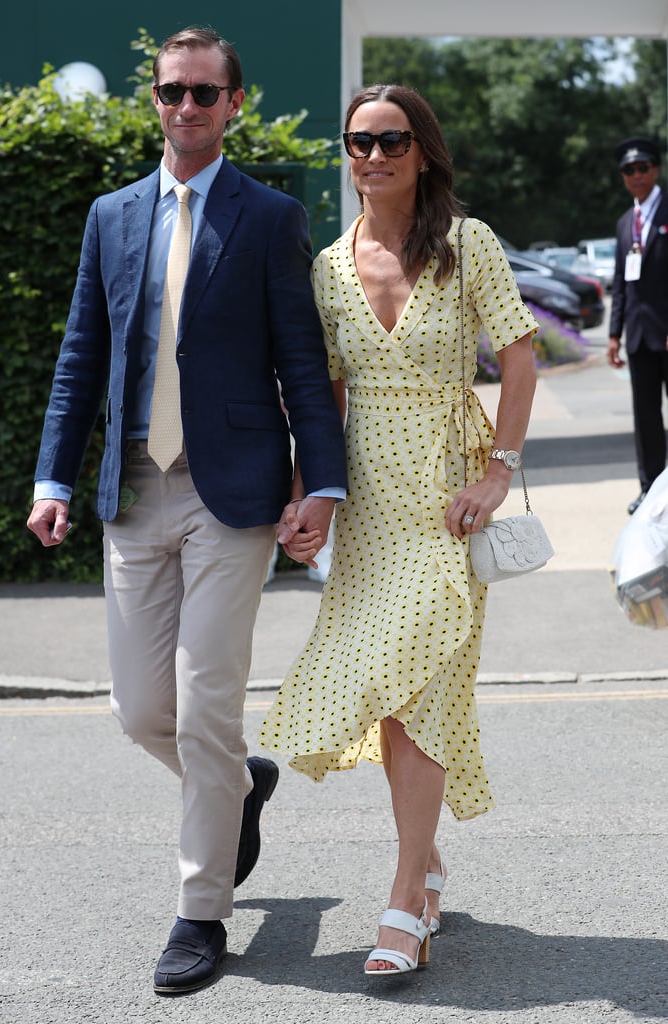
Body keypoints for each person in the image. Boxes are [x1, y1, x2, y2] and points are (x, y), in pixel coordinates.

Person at [26, 26, 347, 995]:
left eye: (206, 93)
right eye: (173, 91)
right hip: (133, 491)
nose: (188, 107)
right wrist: (50, 477)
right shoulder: (109, 215)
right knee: (141, 711)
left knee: (206, 704)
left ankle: (200, 913)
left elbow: (299, 357)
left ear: (233, 105)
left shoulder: (269, 216)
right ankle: (238, 786)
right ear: (154, 99)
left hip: (233, 496)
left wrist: (320, 485)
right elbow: (84, 352)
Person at [260, 83, 538, 979]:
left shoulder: (469, 245)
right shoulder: (332, 263)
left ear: (423, 152)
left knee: (421, 686)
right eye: (357, 143)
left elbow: (520, 352)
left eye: (390, 141)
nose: (372, 157)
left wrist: (499, 470)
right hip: (370, 502)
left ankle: (401, 897)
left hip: (447, 494)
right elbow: (326, 393)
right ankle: (423, 868)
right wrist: (312, 493)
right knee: (389, 693)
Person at [608, 136, 668, 515]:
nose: (636, 175)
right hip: (640, 336)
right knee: (646, 417)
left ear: (656, 169)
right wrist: (614, 335)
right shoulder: (625, 223)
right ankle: (651, 491)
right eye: (628, 171)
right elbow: (621, 282)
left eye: (642, 168)